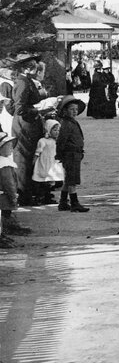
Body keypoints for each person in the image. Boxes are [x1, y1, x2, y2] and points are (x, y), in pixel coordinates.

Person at [12, 56, 46, 206]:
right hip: (25, 126)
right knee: (23, 160)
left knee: (28, 159)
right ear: (26, 69)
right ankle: (24, 196)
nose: (35, 70)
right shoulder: (22, 82)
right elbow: (19, 108)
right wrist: (38, 109)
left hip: (29, 125)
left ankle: (29, 193)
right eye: (32, 67)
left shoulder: (27, 81)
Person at [56, 95, 88, 212]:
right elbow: (61, 141)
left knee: (68, 179)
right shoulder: (67, 124)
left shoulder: (71, 122)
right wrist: (60, 154)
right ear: (65, 111)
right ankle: (75, 203)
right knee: (72, 180)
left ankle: (63, 202)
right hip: (70, 155)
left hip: (76, 154)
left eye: (76, 109)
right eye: (71, 109)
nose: (75, 112)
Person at [0, 132, 30, 243]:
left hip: (4, 194)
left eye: (12, 145)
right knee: (3, 216)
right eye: (8, 146)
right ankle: (2, 235)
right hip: (4, 195)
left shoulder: (4, 162)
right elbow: (8, 182)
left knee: (3, 216)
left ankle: (3, 234)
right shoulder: (4, 165)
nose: (11, 148)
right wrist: (13, 195)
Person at [32, 120, 65, 204]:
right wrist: (34, 161)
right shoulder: (43, 141)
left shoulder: (57, 141)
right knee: (43, 181)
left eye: (58, 130)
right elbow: (38, 152)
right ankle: (40, 197)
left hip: (53, 164)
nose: (57, 132)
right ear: (48, 130)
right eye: (54, 130)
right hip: (44, 163)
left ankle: (47, 196)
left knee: (52, 181)